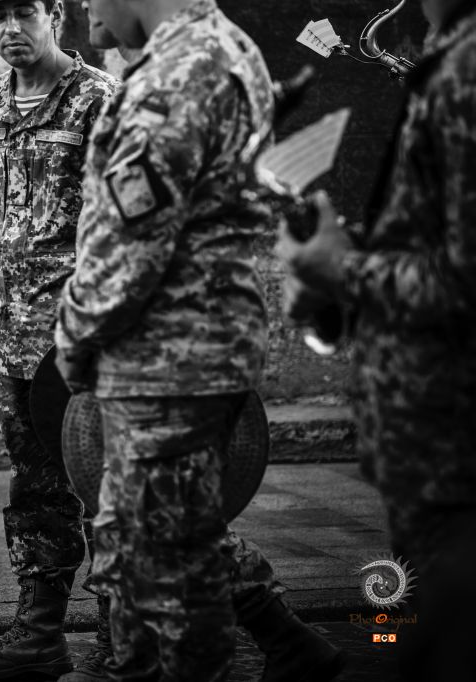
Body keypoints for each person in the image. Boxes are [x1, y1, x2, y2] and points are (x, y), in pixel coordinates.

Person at [54, 0, 346, 680]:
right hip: (183, 353)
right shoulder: (216, 50)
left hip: (168, 359)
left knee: (167, 581)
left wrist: (73, 336)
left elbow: (130, 243)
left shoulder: (179, 71)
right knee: (151, 550)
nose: (83, 7)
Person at [278, 0, 476, 678]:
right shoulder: (449, 60)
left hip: (452, 454)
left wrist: (343, 271)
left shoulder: (465, 72)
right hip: (431, 451)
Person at [0, 1, 119, 679]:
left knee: (105, 488)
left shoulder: (99, 99)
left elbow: (121, 225)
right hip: (15, 332)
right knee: (36, 488)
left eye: (24, 11)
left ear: (56, 14)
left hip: (81, 335)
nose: (10, 28)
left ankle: (120, 635)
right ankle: (39, 635)